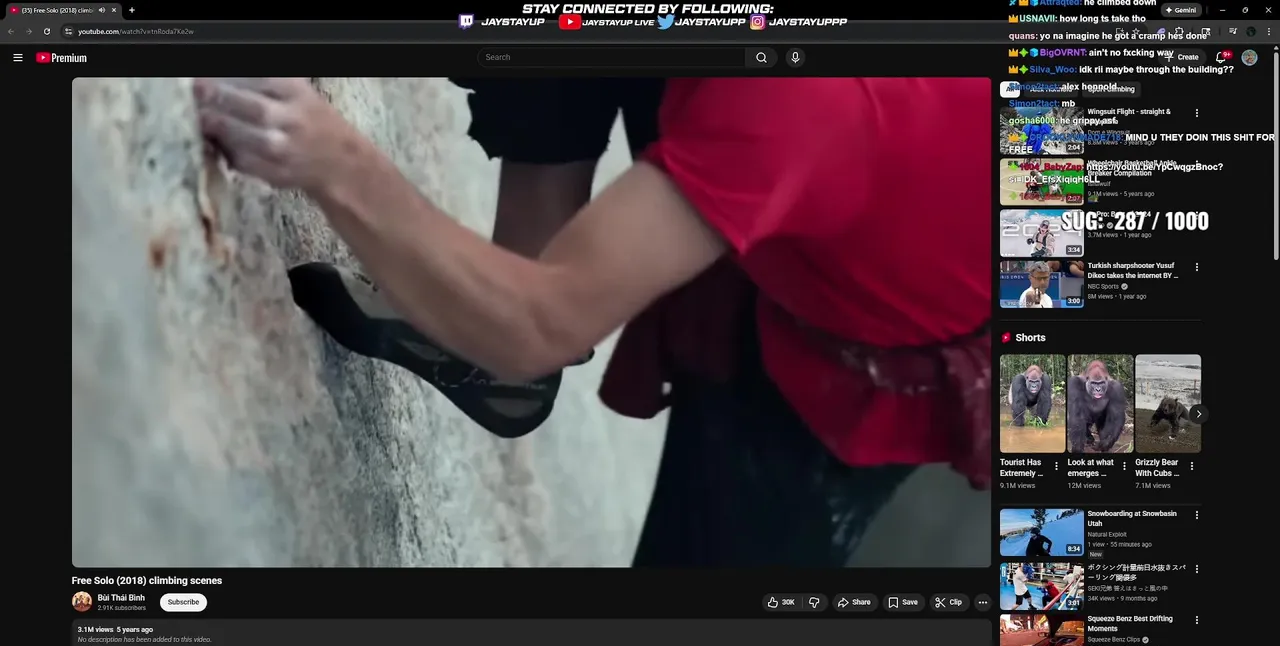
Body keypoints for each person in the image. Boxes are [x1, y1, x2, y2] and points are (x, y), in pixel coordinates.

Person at [192, 77, 992, 567]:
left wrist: (332, 159)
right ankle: (494, 291)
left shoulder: (797, 106)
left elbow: (544, 321)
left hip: (935, 337)